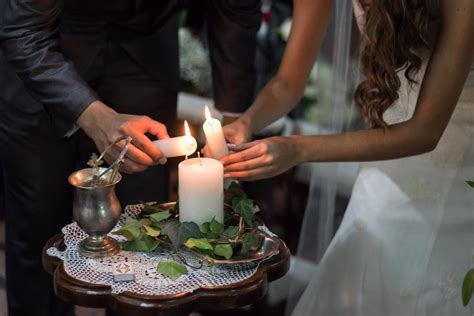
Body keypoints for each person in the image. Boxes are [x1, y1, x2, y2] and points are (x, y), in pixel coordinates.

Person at [0, 1, 260, 315]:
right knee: (37, 232)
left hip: (146, 52)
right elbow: (23, 30)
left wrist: (231, 119)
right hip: (45, 54)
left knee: (145, 236)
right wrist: (96, 118)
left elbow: (236, 9)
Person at [220, 0, 474, 314]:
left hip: (461, 163)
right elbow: (287, 84)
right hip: (384, 160)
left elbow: (425, 131)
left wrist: (297, 149)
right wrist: (248, 122)